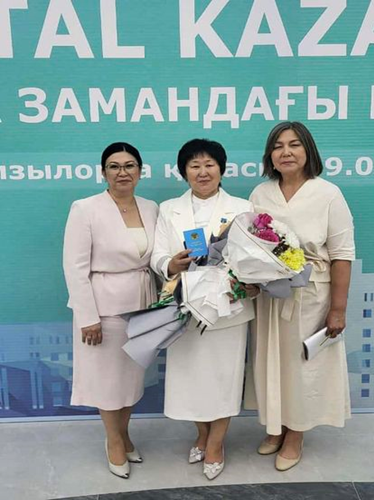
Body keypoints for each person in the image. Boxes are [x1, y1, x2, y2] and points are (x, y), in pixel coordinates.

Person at [249, 121, 355, 471]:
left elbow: (342, 255)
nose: (286, 152)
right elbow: (248, 244)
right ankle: (276, 426)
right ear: (270, 155)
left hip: (311, 295)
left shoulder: (328, 194)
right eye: (278, 146)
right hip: (270, 295)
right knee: (273, 363)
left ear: (308, 150)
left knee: (302, 367)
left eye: (294, 144)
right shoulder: (260, 194)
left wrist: (337, 309)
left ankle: (296, 433)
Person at [151, 139, 257, 480]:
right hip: (185, 307)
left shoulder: (242, 207)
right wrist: (172, 263)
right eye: (194, 165)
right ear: (184, 172)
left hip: (228, 309)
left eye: (209, 164)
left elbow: (254, 256)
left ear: (221, 169)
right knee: (192, 381)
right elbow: (157, 255)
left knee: (223, 379)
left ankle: (215, 444)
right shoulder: (169, 208)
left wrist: (249, 279)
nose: (202, 172)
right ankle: (201, 433)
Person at [63, 142, 158, 479]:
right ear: (103, 172)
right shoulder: (85, 209)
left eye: (129, 165)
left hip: (143, 305)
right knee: (107, 381)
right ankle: (114, 441)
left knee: (131, 379)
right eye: (114, 166)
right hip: (103, 308)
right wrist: (87, 317)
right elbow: (74, 267)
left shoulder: (151, 208)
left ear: (140, 172)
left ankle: (125, 433)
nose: (122, 172)